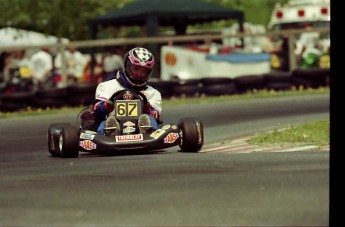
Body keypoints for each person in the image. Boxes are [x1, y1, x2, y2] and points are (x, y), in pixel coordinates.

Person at [91, 47, 162, 136]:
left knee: (149, 119)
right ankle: (111, 132)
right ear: (127, 65)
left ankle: (146, 131)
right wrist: (105, 106)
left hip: (139, 126)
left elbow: (156, 115)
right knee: (105, 123)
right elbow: (96, 110)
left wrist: (147, 109)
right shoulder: (107, 86)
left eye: (144, 71)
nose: (139, 74)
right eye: (136, 69)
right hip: (113, 121)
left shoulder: (153, 92)